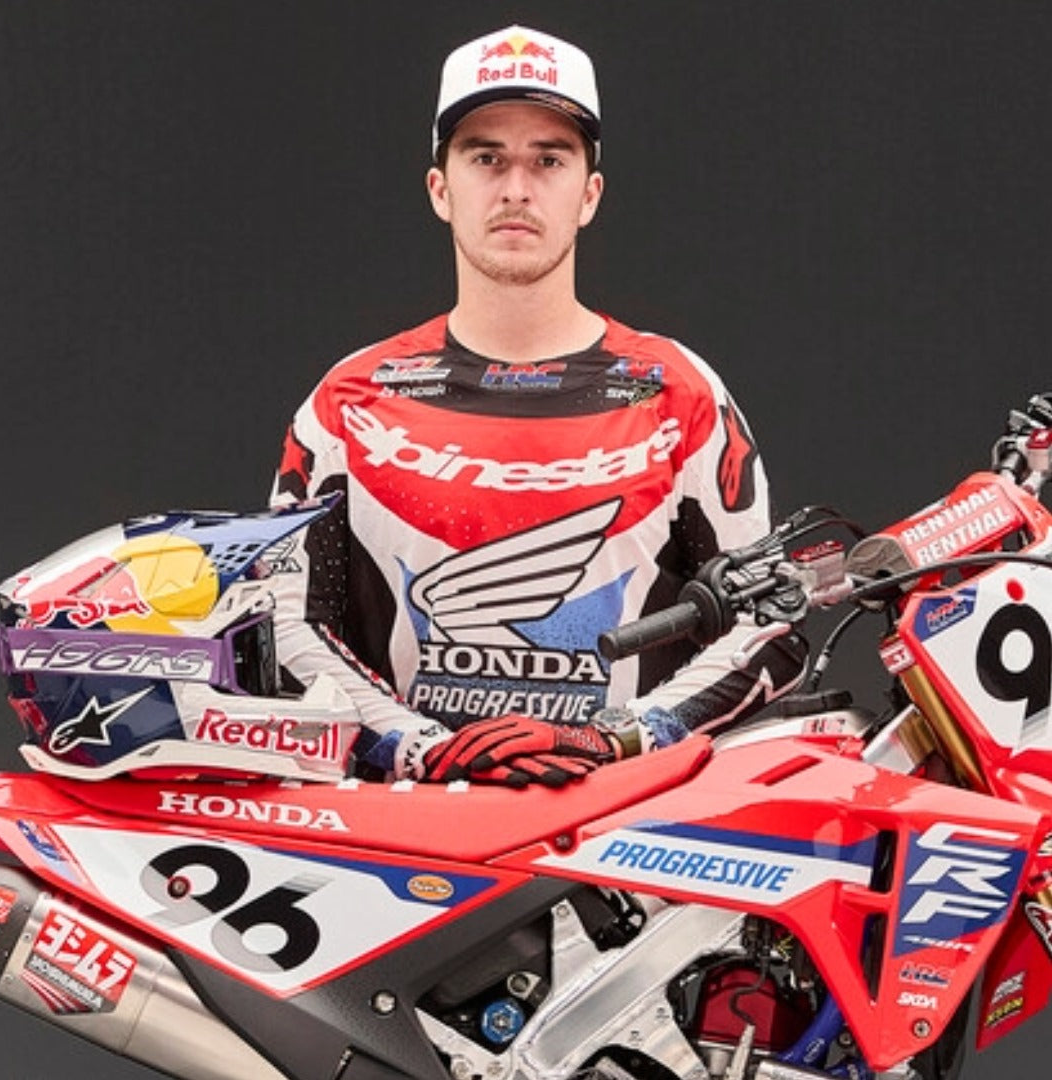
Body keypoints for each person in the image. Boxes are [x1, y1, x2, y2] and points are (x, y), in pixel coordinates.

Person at [269, 24, 806, 787]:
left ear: (589, 194)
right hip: (406, 834)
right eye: (486, 157)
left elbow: (769, 622)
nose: (516, 189)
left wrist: (617, 740)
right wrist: (414, 746)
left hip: (619, 836)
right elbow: (284, 622)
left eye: (548, 160)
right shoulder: (348, 400)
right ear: (440, 188)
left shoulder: (680, 393)